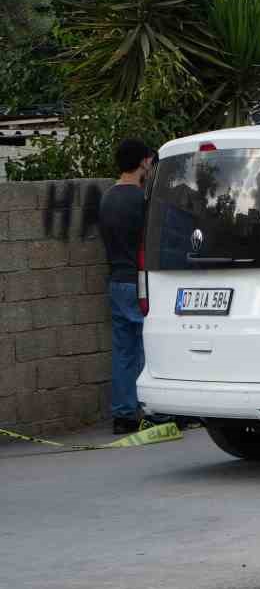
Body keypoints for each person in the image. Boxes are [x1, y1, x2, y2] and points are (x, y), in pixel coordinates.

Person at [100, 139, 156, 434]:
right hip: (139, 282)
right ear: (144, 162)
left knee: (124, 350)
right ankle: (154, 411)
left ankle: (123, 415)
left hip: (116, 281)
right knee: (149, 344)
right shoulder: (141, 200)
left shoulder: (108, 197)